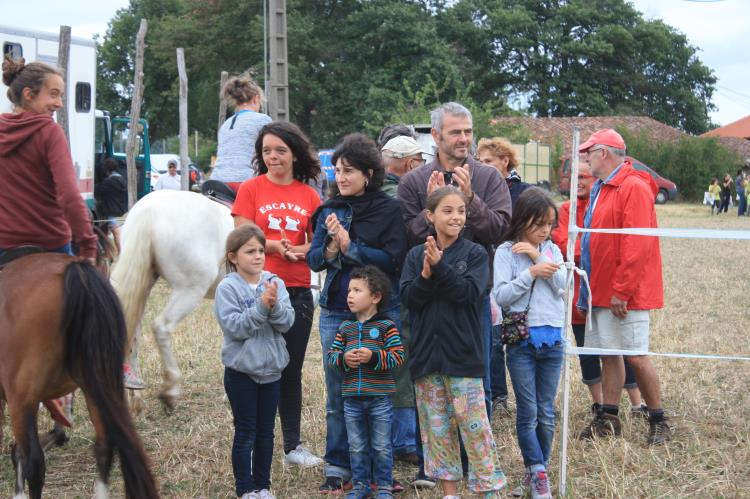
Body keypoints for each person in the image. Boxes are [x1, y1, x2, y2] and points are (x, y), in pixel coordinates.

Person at [0, 56, 118, 420]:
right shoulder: (49, 132)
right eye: (53, 95)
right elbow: (69, 195)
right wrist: (85, 245)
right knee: (104, 310)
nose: (59, 103)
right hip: (51, 244)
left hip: (4, 249)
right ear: (29, 94)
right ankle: (121, 365)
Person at [307, 133, 408, 494]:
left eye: (348, 170)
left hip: (382, 312)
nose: (341, 176)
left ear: (369, 173)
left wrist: (354, 246)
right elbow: (314, 259)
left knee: (383, 391)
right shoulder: (328, 210)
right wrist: (333, 246)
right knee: (339, 391)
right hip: (337, 310)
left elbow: (394, 260)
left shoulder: (387, 209)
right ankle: (338, 466)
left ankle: (382, 470)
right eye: (336, 170)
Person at [398, 103, 512, 417]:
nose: (464, 139)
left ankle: (472, 456)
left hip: (470, 299)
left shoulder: (488, 178)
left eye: (468, 131)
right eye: (455, 132)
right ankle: (437, 462)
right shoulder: (413, 182)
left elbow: (500, 231)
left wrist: (471, 200)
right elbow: (406, 240)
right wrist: (430, 209)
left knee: (474, 383)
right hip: (427, 301)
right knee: (431, 381)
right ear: (435, 135)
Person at [400, 187, 506, 499]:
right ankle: (449, 492)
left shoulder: (474, 254)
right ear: (430, 216)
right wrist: (425, 273)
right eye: (447, 210)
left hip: (463, 358)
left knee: (475, 430)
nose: (456, 217)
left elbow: (468, 294)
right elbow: (409, 299)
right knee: (437, 430)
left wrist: (440, 269)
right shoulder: (414, 255)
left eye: (460, 210)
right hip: (426, 358)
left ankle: (488, 490)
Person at [232, 121, 325, 468]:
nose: (272, 157)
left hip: (297, 291)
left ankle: (292, 447)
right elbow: (240, 236)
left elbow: (318, 244)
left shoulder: (309, 195)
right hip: (255, 291)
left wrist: (296, 251)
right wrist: (272, 245)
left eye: (280, 150)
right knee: (255, 370)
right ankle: (257, 443)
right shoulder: (250, 189)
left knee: (290, 370)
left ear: (295, 154)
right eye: (266, 151)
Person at [577, 129, 671, 445]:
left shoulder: (632, 187)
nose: (585, 158)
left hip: (624, 293)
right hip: (602, 289)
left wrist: (623, 289)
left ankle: (659, 420)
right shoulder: (603, 188)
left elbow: (637, 244)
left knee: (636, 355)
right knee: (609, 354)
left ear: (604, 153)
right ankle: (608, 417)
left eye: (588, 152)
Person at [550, 162, 646, 418]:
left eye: (583, 176)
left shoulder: (606, 205)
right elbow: (564, 244)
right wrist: (591, 251)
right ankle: (600, 404)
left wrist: (591, 250)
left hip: (608, 290)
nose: (577, 182)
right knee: (588, 351)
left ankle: (637, 404)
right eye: (573, 177)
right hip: (579, 294)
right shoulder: (566, 210)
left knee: (622, 350)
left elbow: (615, 246)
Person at [492, 188, 566, 499]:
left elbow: (563, 286)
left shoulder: (553, 251)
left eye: (549, 224)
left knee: (546, 411)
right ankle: (536, 470)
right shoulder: (505, 252)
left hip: (553, 339)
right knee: (529, 410)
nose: (544, 231)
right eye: (538, 224)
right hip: (521, 340)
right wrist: (530, 274)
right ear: (522, 220)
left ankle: (539, 471)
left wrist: (538, 257)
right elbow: (501, 295)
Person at [214, 224, 295, 499]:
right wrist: (261, 307)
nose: (258, 256)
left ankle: (263, 486)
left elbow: (287, 322)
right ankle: (245, 489)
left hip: (272, 370)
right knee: (246, 430)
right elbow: (235, 327)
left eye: (261, 250)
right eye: (250, 251)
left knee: (266, 432)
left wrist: (273, 305)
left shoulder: (275, 282)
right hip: (241, 372)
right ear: (233, 257)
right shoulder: (227, 288)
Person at [327, 265, 405, 499]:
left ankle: (383, 486)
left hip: (379, 399)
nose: (350, 295)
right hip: (351, 399)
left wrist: (373, 357)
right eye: (349, 290)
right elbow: (332, 356)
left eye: (357, 290)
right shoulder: (346, 328)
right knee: (357, 446)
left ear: (375, 297)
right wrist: (343, 359)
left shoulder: (386, 326)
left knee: (381, 445)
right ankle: (360, 485)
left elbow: (397, 357)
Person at [379, 132, 424, 466]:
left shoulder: (372, 193)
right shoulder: (401, 198)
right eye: (420, 164)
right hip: (399, 285)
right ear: (410, 164)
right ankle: (404, 439)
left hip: (375, 287)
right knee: (402, 358)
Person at [211, 72, 272, 192]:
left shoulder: (225, 125)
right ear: (256, 99)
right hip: (245, 181)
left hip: (216, 182)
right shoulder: (263, 120)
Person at [476, 137, 531, 207]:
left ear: (505, 161)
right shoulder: (476, 191)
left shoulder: (525, 193)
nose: (482, 166)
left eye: (488, 161)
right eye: (480, 162)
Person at [95, 158, 128, 252]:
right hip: (121, 210)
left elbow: (98, 190)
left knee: (116, 233)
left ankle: (121, 253)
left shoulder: (108, 182)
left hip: (112, 211)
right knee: (116, 232)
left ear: (106, 170)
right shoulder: (121, 179)